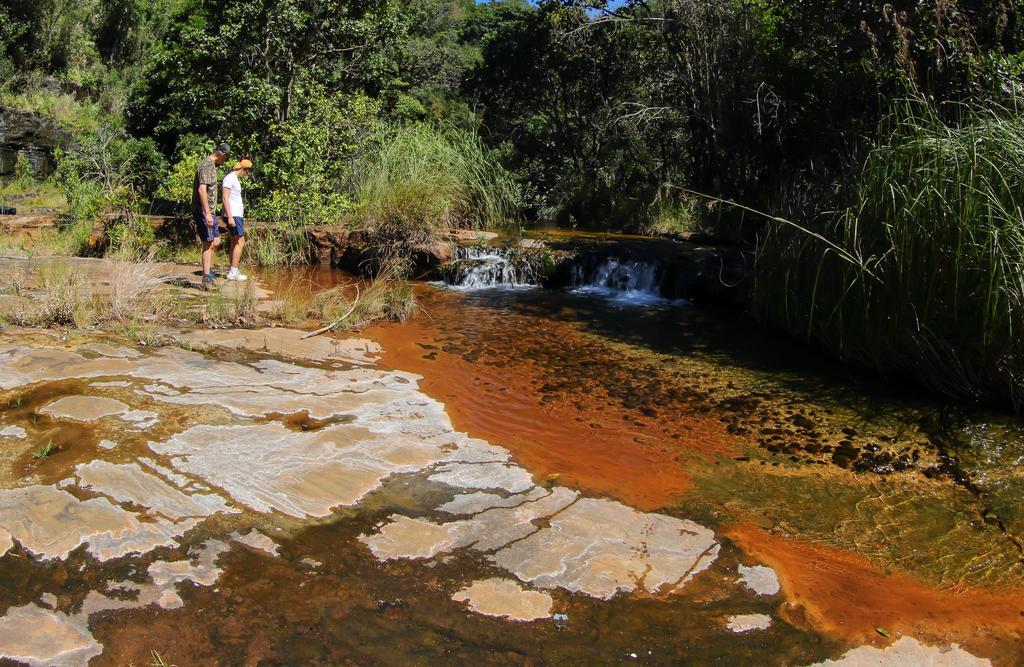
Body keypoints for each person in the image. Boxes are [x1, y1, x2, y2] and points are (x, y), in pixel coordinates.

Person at [191, 143, 230, 288]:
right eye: (225, 158)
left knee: (216, 241)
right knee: (208, 243)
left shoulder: (211, 165)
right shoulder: (206, 165)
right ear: (221, 154)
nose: (224, 161)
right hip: (203, 211)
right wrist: (207, 213)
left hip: (210, 212)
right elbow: (202, 190)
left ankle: (210, 271)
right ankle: (207, 277)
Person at [221, 158, 253, 281]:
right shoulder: (230, 178)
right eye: (247, 171)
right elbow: (225, 197)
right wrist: (229, 217)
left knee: (235, 242)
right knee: (240, 242)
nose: (247, 174)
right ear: (244, 169)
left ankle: (232, 269)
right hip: (233, 215)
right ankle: (233, 271)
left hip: (235, 215)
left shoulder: (234, 179)